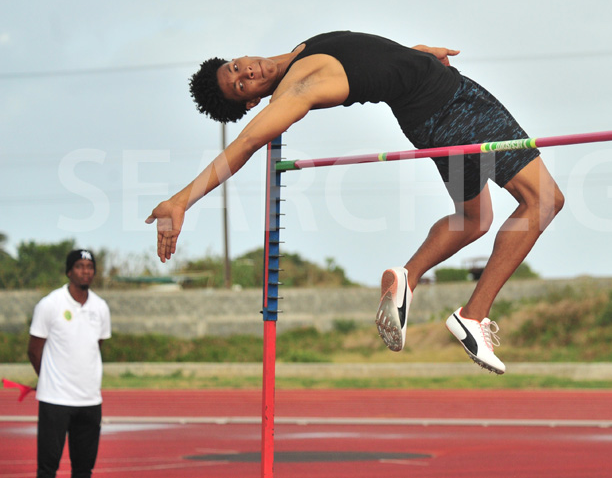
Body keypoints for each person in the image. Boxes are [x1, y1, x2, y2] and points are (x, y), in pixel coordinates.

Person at [146, 31, 563, 374]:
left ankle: (407, 277)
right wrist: (182, 199)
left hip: (434, 115)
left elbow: (374, 63)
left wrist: (414, 56)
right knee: (542, 201)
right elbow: (248, 142)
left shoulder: (300, 53)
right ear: (250, 101)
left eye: (237, 67)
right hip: (456, 109)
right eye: (241, 85)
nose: (248, 72)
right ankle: (473, 316)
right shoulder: (294, 90)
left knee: (474, 219)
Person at [28, 249, 112, 478]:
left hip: (89, 400)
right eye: (79, 266)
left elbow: (97, 345)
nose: (85, 271)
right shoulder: (50, 304)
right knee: (47, 469)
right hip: (55, 400)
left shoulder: (100, 307)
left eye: (89, 266)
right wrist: (48, 379)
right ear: (68, 271)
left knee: (84, 469)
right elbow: (34, 350)